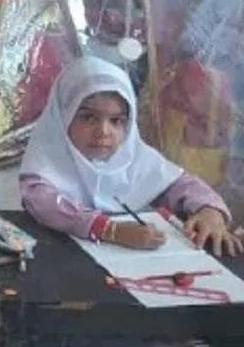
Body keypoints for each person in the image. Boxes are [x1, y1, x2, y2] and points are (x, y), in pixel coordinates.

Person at [19, 56, 240, 257]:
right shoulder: (45, 166)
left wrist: (209, 211)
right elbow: (44, 202)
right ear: (62, 115)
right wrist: (110, 230)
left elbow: (181, 185)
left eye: (116, 121)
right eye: (88, 117)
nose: (103, 131)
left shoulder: (135, 158)